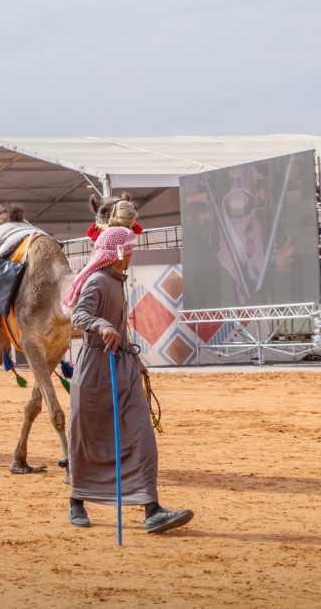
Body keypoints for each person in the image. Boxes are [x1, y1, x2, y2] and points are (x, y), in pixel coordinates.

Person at [61, 225, 194, 533]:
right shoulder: (97, 280)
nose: (133, 252)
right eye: (130, 248)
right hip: (95, 368)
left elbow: (120, 327)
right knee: (87, 438)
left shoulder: (116, 281)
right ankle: (77, 500)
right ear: (119, 252)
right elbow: (79, 315)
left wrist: (137, 359)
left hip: (124, 367)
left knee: (141, 433)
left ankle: (152, 509)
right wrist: (101, 325)